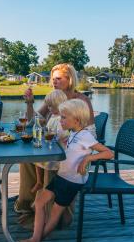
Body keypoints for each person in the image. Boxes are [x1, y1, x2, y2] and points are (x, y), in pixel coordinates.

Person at [18, 99, 113, 242]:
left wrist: (88, 158)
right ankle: (35, 239)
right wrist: (63, 142)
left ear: (76, 119)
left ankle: (36, 241)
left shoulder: (85, 136)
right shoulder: (73, 133)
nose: (60, 120)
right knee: (39, 202)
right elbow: (73, 150)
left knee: (55, 213)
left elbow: (109, 153)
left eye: (63, 117)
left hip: (71, 181)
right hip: (62, 176)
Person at [15, 63, 96, 215]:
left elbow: (90, 133)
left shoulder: (82, 100)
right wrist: (30, 103)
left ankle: (50, 211)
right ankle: (28, 202)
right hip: (55, 146)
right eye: (53, 79)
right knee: (26, 159)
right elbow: (35, 121)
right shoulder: (54, 97)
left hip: (74, 153)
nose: (54, 82)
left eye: (58, 78)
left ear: (70, 79)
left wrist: (71, 141)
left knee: (48, 160)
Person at [31, 89, 68, 194]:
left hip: (58, 151)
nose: (48, 108)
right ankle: (39, 181)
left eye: (50, 106)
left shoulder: (61, 119)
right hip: (51, 146)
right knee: (36, 159)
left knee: (42, 159)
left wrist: (51, 135)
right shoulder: (53, 115)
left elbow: (62, 135)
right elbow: (48, 128)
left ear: (58, 105)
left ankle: (44, 187)